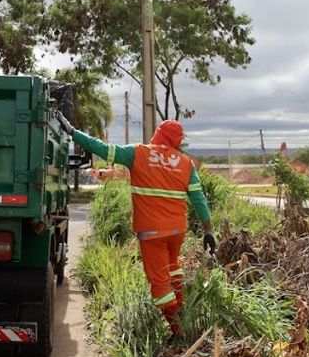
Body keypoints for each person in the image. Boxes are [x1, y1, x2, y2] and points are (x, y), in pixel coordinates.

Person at [56, 113, 214, 334]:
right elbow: (199, 199)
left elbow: (102, 148)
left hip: (152, 233)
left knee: (160, 285)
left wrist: (73, 133)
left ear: (157, 134)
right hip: (177, 231)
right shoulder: (186, 164)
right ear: (177, 141)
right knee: (173, 269)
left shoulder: (138, 153)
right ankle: (182, 312)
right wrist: (209, 231)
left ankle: (179, 332)